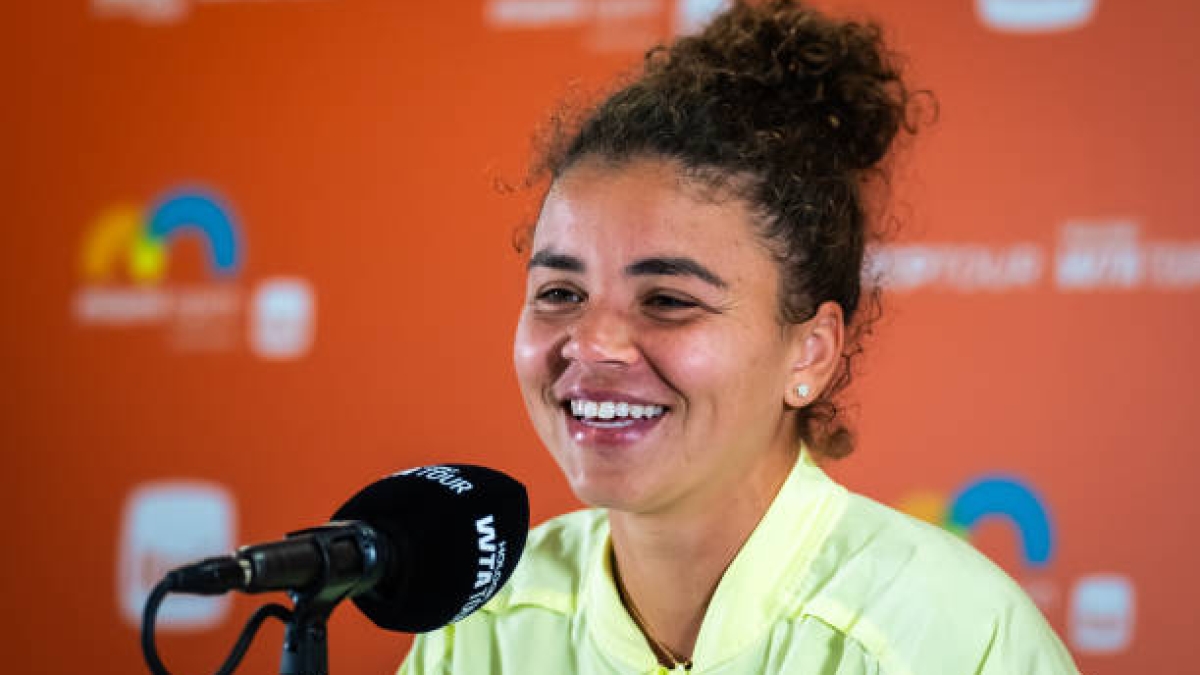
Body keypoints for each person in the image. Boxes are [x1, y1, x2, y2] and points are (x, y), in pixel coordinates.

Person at [401, 1, 1080, 673]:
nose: (593, 343)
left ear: (810, 350)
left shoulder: (948, 637)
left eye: (667, 300)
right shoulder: (482, 627)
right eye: (560, 294)